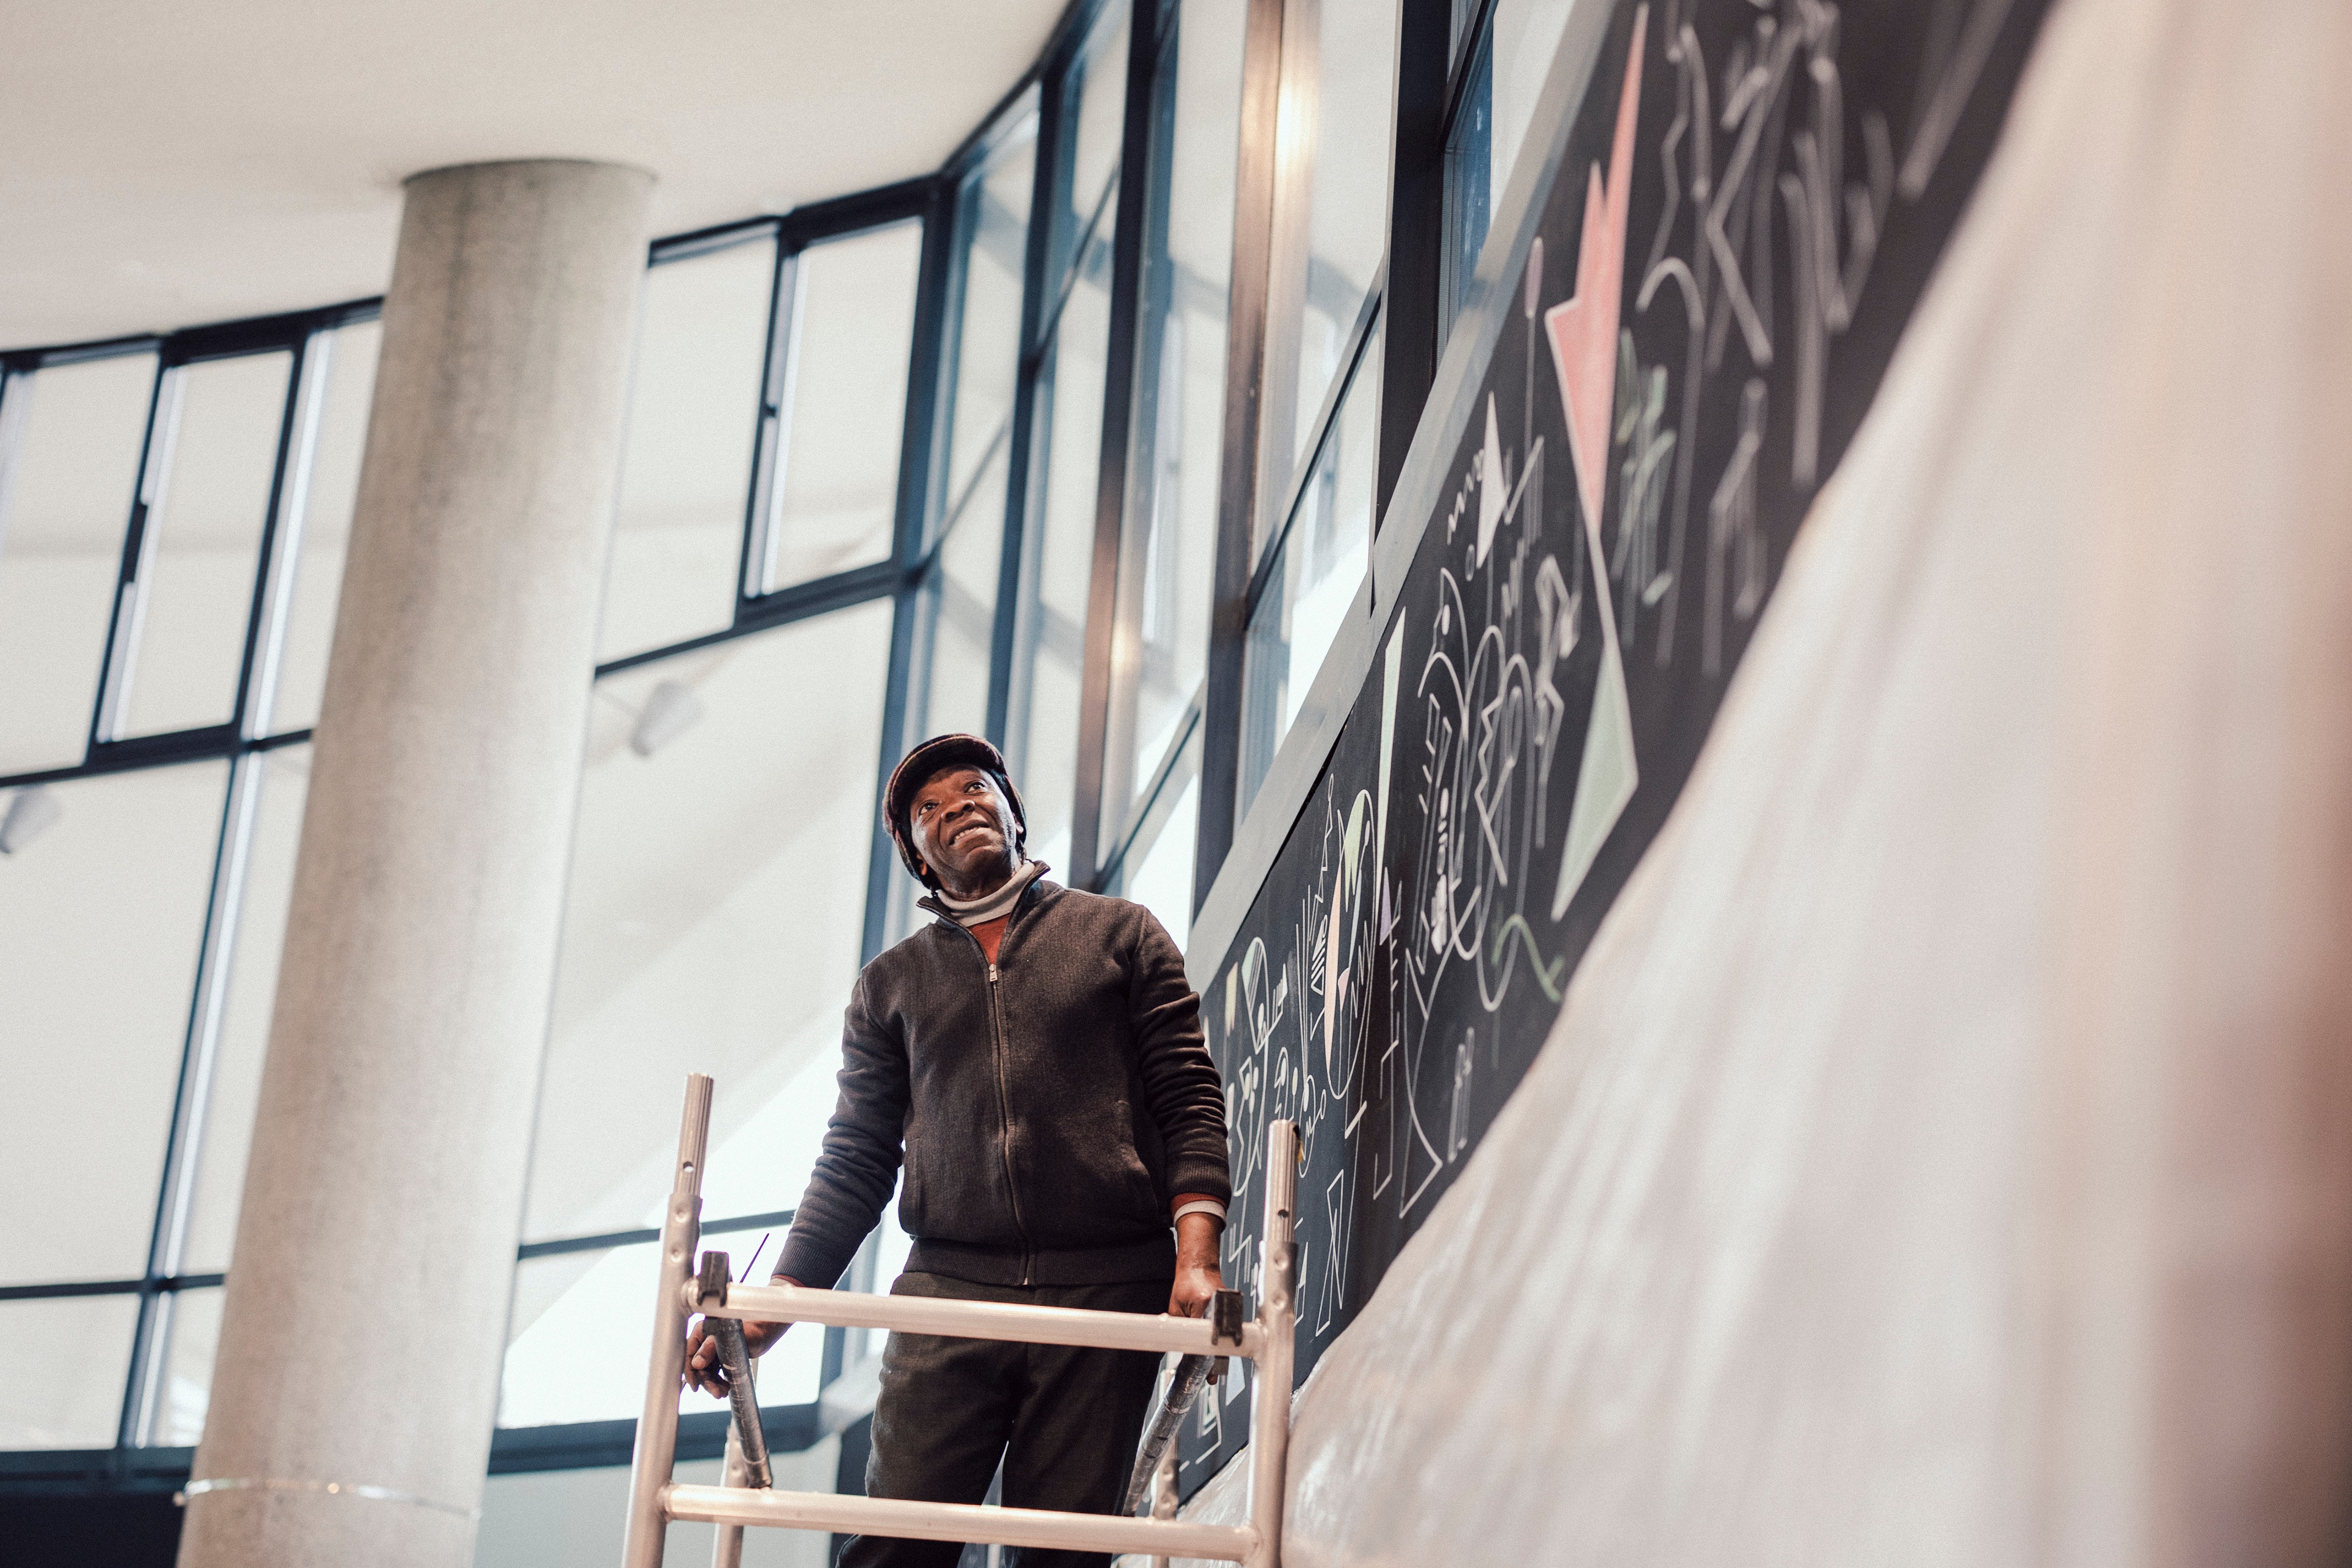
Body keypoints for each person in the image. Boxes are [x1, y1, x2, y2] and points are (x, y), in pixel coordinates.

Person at [683, 733, 1231, 1568]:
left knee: (1061, 1555)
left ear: (1012, 812)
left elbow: (1188, 1095)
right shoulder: (890, 986)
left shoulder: (1120, 934)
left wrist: (1197, 1258)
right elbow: (857, 1157)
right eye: (929, 811)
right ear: (920, 860)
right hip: (950, 1286)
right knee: (895, 1546)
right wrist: (783, 1296)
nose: (958, 808)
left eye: (975, 790)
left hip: (1107, 1283)